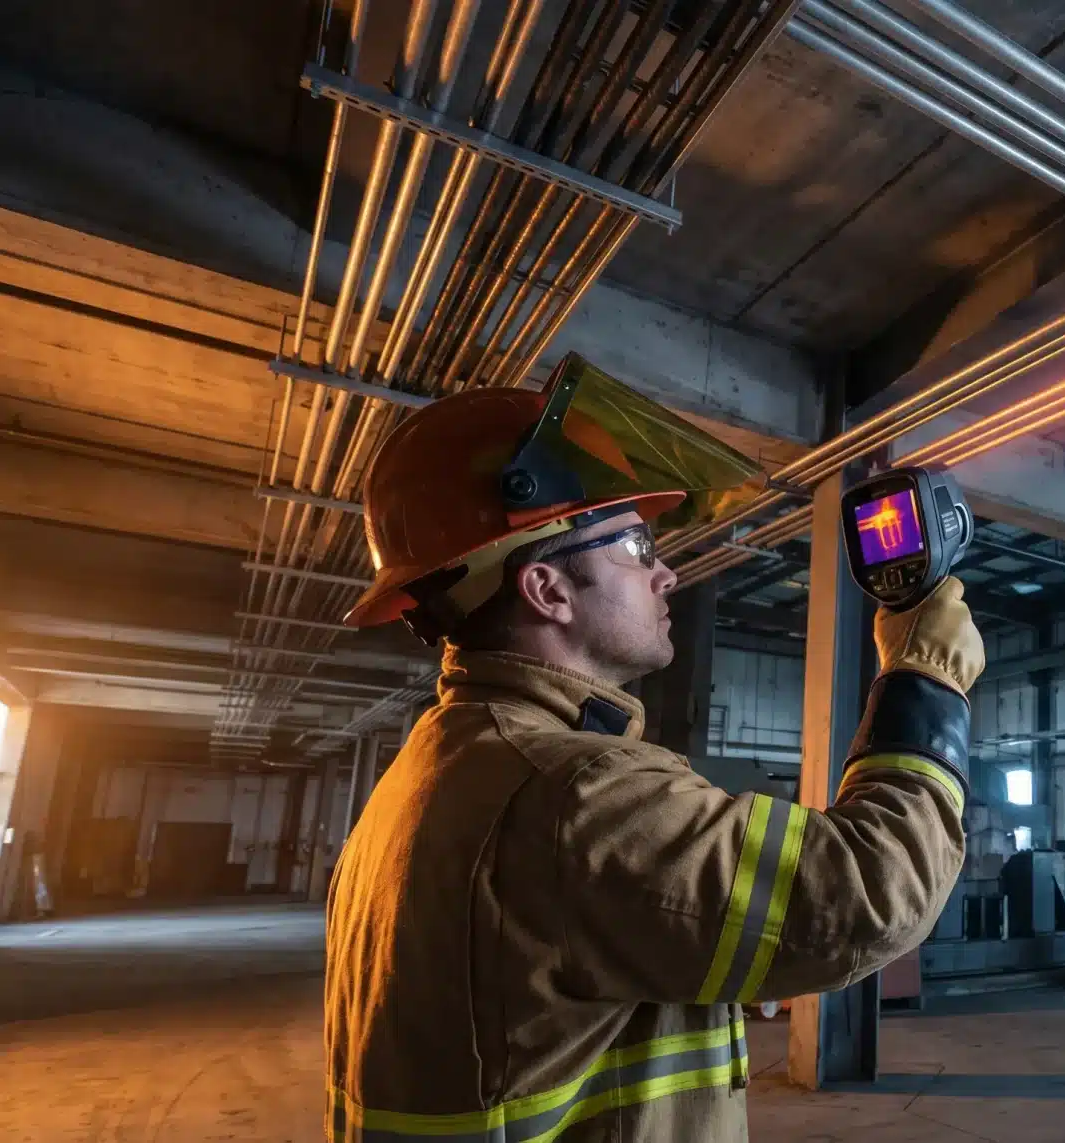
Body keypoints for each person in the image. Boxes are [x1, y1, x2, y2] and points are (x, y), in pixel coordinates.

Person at [323, 356, 983, 1142]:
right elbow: (871, 891)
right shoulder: (570, 792)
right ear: (547, 590)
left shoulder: (434, 775)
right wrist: (925, 673)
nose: (666, 573)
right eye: (636, 546)